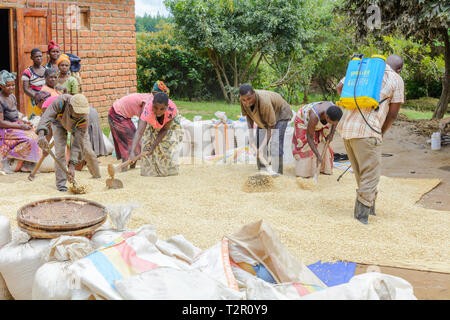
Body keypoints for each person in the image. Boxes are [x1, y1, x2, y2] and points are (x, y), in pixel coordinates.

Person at [336, 54, 405, 225]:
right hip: (368, 130)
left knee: (361, 173)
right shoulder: (396, 78)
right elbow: (393, 114)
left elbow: (340, 87)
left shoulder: (363, 69)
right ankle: (361, 218)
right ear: (399, 69)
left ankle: (370, 208)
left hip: (346, 129)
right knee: (371, 175)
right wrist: (380, 132)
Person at [35, 94, 101, 192]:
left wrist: (71, 166)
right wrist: (41, 135)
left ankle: (97, 176)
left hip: (78, 127)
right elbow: (45, 118)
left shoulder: (84, 118)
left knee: (87, 150)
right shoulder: (60, 102)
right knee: (60, 153)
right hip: (58, 122)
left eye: (81, 113)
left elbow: (77, 144)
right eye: (77, 113)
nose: (79, 115)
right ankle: (61, 185)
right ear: (70, 106)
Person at [239, 83, 292, 175]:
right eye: (244, 100)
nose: (247, 102)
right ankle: (263, 169)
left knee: (275, 142)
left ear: (254, 93)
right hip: (264, 116)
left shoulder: (264, 102)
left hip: (280, 113)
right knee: (258, 142)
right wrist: (251, 135)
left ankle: (277, 171)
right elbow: (248, 115)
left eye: (249, 99)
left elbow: (271, 126)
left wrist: (263, 146)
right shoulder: (243, 99)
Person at [129, 92, 183, 177]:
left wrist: (154, 145)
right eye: (155, 107)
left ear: (167, 107)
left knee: (165, 145)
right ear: (152, 105)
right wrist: (132, 151)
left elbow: (164, 129)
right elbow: (139, 131)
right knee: (147, 145)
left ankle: (167, 171)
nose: (158, 111)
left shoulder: (171, 110)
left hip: (168, 126)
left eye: (162, 109)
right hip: (152, 123)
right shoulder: (147, 110)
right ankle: (150, 172)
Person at [0, 70, 41, 173]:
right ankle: (8, 158)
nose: (11, 88)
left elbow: (14, 115)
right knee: (30, 138)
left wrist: (23, 122)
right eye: (8, 86)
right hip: (5, 128)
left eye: (13, 85)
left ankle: (26, 163)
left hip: (15, 124)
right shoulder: (0, 100)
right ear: (1, 85)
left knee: (36, 132)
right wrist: (21, 127)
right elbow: (1, 122)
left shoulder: (12, 96)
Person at [292, 101, 343, 178]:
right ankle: (305, 172)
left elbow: (335, 123)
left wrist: (331, 133)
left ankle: (322, 169)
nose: (332, 124)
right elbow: (309, 137)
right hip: (303, 120)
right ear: (327, 117)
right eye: (331, 122)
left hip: (318, 121)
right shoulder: (314, 116)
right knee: (305, 144)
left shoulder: (335, 111)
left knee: (322, 140)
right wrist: (318, 155)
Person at [108, 92, 153, 168]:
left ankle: (132, 165)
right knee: (128, 142)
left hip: (123, 116)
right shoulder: (148, 100)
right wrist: (140, 132)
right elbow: (142, 119)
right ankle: (124, 167)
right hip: (116, 114)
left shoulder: (151, 98)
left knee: (135, 141)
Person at [22, 48, 46, 117]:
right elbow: (25, 89)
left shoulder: (46, 70)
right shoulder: (27, 72)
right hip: (34, 101)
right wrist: (37, 97)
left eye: (40, 56)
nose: (39, 58)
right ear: (31, 58)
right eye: (36, 56)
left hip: (46, 100)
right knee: (34, 122)